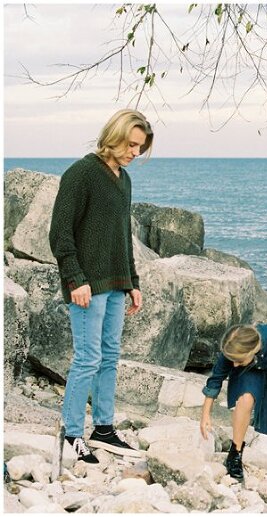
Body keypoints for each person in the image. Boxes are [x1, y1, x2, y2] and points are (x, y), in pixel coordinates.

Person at [48, 109, 153, 463]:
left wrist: (133, 282)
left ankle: (104, 429)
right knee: (87, 359)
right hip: (86, 288)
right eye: (131, 144)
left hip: (115, 285)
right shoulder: (81, 174)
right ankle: (72, 433)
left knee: (109, 358)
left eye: (140, 147)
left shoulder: (123, 179)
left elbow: (124, 235)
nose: (135, 153)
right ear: (115, 135)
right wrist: (75, 279)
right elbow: (60, 233)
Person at [200, 323, 267, 485]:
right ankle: (235, 455)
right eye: (233, 360)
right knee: (245, 399)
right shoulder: (233, 351)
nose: (234, 365)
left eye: (238, 361)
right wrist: (205, 414)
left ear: (252, 351)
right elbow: (215, 379)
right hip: (250, 370)